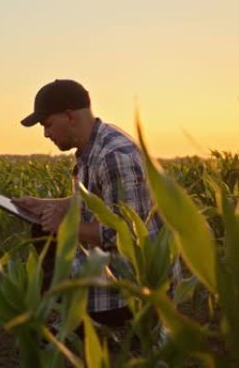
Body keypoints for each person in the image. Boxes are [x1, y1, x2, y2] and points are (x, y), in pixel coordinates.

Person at [13, 79, 163, 327]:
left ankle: (98, 322)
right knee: (41, 228)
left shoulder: (114, 156)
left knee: (49, 241)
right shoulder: (94, 145)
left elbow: (125, 235)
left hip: (133, 284)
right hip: (113, 261)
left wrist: (65, 226)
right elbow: (97, 203)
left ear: (70, 116)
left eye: (48, 124)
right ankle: (76, 316)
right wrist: (44, 205)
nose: (46, 133)